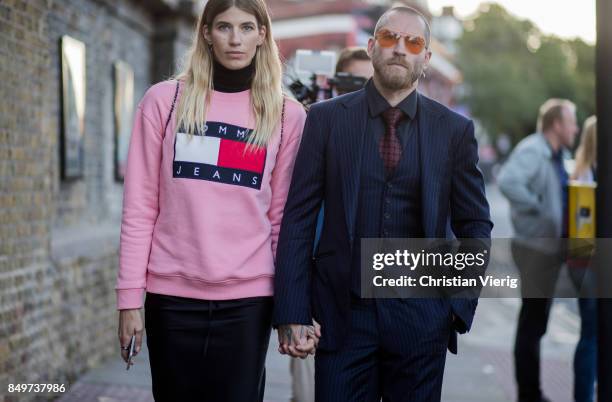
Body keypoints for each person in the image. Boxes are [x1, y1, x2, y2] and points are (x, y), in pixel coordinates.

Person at [273, 6, 492, 401]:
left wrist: (456, 306)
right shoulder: (325, 120)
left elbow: (476, 225)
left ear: (425, 58)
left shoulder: (454, 131)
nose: (399, 49)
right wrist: (292, 311)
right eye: (390, 38)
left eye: (414, 42)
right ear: (372, 47)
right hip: (341, 317)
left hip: (421, 322)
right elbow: (299, 218)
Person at [114, 0, 307, 400]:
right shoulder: (164, 102)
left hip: (248, 302)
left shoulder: (287, 115)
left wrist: (291, 308)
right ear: (206, 33)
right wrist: (129, 301)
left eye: (246, 28)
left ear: (262, 35)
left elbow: (281, 221)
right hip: (171, 299)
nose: (235, 39)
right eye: (223, 27)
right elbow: (139, 209)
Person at [498, 98, 579, 402]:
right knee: (532, 324)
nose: (576, 127)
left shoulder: (560, 154)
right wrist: (539, 210)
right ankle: (529, 394)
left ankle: (531, 391)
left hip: (549, 249)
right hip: (534, 248)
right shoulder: (534, 149)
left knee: (537, 321)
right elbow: (508, 181)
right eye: (571, 121)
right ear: (556, 124)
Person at [569, 116, 597, 402]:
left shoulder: (580, 172)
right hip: (592, 263)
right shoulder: (591, 177)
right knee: (592, 335)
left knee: (590, 334)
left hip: (581, 262)